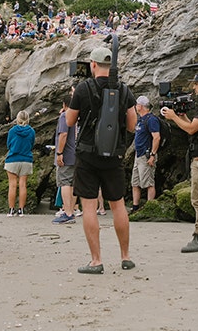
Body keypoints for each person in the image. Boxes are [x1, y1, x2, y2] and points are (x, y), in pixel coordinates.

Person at [64, 46, 138, 273]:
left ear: (93, 65)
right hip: (114, 154)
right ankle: (125, 257)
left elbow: (69, 121)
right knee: (118, 205)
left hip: (87, 154)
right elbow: (133, 125)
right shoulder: (124, 90)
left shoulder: (84, 89)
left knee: (88, 205)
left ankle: (96, 260)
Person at [160, 71, 198, 253]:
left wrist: (173, 117)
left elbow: (191, 127)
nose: (193, 88)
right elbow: (193, 129)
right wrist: (182, 116)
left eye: (196, 84)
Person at [130, 96, 161, 214]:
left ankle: (149, 208)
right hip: (138, 155)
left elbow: (156, 137)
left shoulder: (151, 119)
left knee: (148, 182)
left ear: (141, 106)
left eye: (136, 104)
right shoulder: (140, 119)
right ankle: (135, 207)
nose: (135, 106)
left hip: (146, 154)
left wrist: (152, 155)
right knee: (135, 182)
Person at [53, 91, 78, 224]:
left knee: (64, 183)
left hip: (66, 155)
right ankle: (72, 211)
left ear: (64, 104)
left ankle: (67, 212)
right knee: (73, 184)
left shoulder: (65, 116)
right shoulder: (77, 116)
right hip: (76, 154)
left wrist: (59, 153)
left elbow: (63, 134)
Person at [4, 110, 35, 216]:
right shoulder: (31, 131)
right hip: (26, 159)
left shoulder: (12, 131)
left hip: (12, 159)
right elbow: (32, 144)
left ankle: (11, 209)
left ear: (17, 119)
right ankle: (21, 209)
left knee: (12, 185)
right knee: (23, 185)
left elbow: (9, 145)